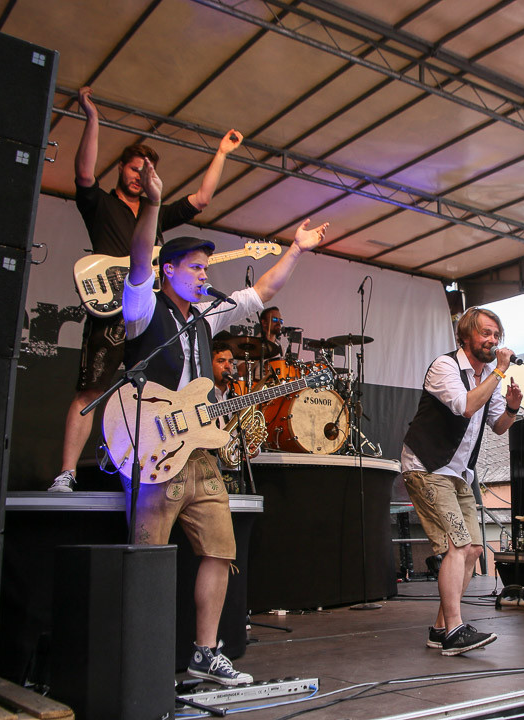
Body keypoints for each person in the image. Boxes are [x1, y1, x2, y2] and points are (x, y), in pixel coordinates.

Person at [120, 157, 327, 684]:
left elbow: (264, 294)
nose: (204, 274)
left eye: (205, 268)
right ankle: (141, 653)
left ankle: (204, 651)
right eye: (194, 267)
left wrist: (296, 250)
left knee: (220, 549)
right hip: (154, 451)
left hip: (201, 456)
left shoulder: (205, 318)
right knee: (148, 556)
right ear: (169, 272)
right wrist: (152, 203)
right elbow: (141, 254)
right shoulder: (144, 310)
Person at [49, 86, 244, 492]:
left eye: (146, 171)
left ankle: (153, 460)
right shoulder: (103, 205)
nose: (139, 176)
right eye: (134, 168)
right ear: (121, 168)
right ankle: (66, 473)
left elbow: (203, 199)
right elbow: (84, 175)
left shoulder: (156, 215)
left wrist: (222, 153)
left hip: (149, 314)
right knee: (91, 389)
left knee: (161, 393)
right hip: (111, 308)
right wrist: (93, 118)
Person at [400, 307, 522, 656]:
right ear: (465, 336)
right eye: (486, 333)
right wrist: (498, 371)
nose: (493, 340)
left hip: (457, 474)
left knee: (471, 550)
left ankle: (440, 629)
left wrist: (511, 408)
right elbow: (466, 407)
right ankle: (455, 629)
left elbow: (498, 425)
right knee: (457, 545)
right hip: (427, 467)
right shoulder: (445, 367)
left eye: (497, 335)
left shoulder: (488, 377)